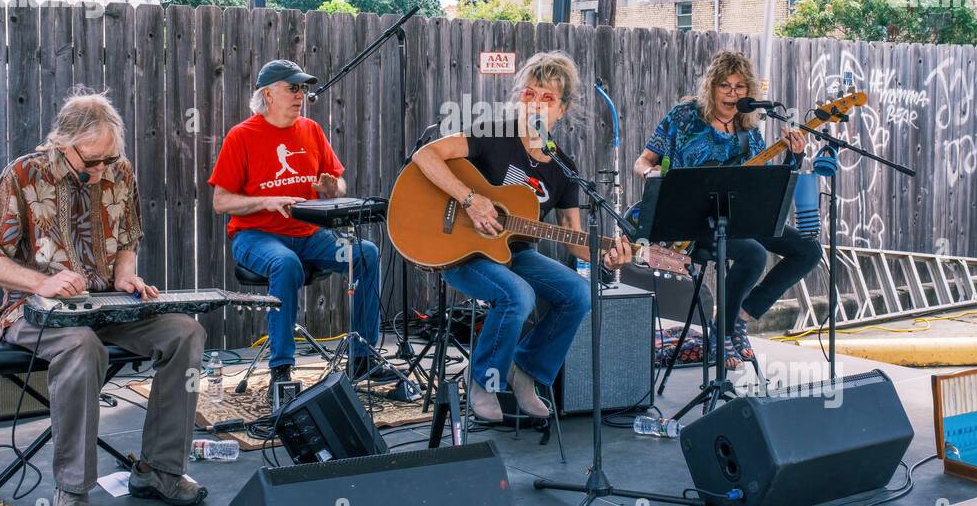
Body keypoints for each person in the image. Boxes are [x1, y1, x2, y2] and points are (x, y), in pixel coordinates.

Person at [0, 89, 206, 506]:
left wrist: (125, 276)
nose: (101, 172)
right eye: (91, 162)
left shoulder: (120, 170)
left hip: (106, 305)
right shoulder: (22, 175)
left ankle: (160, 470)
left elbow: (129, 237)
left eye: (108, 161)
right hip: (33, 310)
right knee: (82, 346)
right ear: (61, 142)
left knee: (186, 331)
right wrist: (44, 281)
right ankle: (73, 489)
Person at [410, 51, 633, 423]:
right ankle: (482, 380)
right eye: (529, 94)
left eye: (547, 98)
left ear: (561, 111)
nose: (536, 104)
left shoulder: (564, 168)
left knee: (578, 293)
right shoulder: (492, 136)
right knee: (518, 295)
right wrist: (470, 199)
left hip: (513, 253)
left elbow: (574, 239)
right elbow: (426, 156)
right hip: (461, 250)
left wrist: (606, 255)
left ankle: (525, 371)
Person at [633, 50, 822, 368]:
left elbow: (763, 183)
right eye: (725, 86)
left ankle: (740, 317)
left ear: (749, 92)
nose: (732, 94)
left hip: (739, 217)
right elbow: (643, 161)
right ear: (711, 87)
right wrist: (653, 175)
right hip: (690, 220)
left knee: (808, 250)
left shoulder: (750, 130)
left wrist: (795, 157)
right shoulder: (685, 116)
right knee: (754, 254)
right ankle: (721, 337)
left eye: (739, 87)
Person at [209, 59, 385, 384]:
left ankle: (363, 360)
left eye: (302, 88)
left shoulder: (311, 130)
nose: (300, 95)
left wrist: (332, 188)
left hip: (308, 234)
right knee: (286, 264)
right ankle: (281, 369)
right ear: (268, 94)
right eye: (292, 88)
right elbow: (220, 202)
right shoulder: (241, 136)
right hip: (255, 235)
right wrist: (266, 201)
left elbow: (338, 184)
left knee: (366, 253)